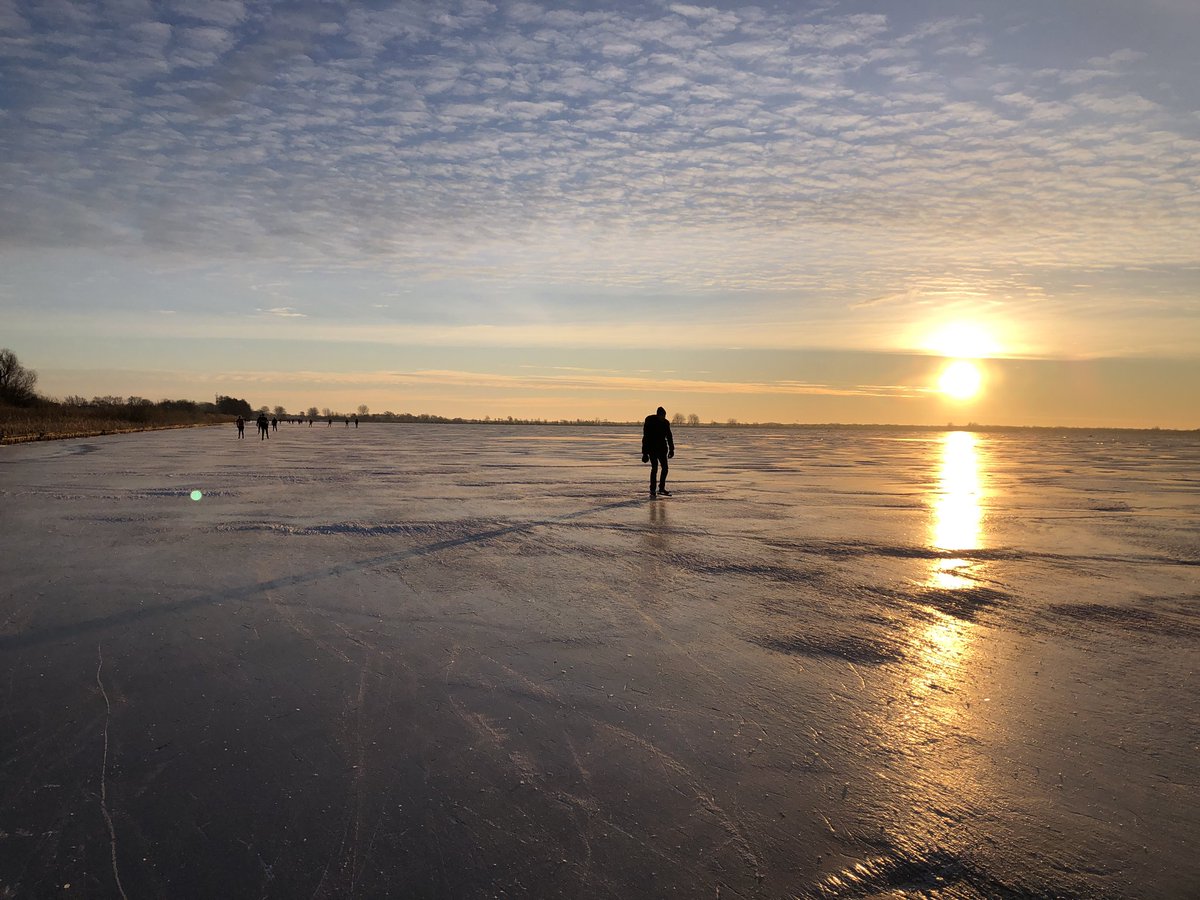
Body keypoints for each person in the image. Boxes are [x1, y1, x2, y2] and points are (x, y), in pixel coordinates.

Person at [642, 406, 675, 497]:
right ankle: (652, 490)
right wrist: (645, 453)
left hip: (662, 449)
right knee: (655, 468)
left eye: (664, 415)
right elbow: (645, 438)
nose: (663, 417)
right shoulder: (650, 422)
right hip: (652, 449)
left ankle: (661, 488)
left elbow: (669, 437)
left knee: (665, 468)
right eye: (662, 415)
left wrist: (671, 449)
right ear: (658, 415)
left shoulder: (665, 423)